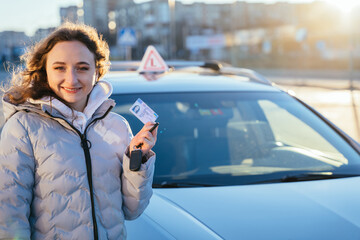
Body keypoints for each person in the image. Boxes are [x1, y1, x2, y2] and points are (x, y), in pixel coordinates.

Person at [0, 22, 158, 239]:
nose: (72, 79)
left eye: (82, 68)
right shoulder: (23, 128)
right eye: (59, 68)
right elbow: (8, 217)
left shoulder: (117, 126)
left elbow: (132, 210)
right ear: (45, 71)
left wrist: (136, 158)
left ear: (97, 71)